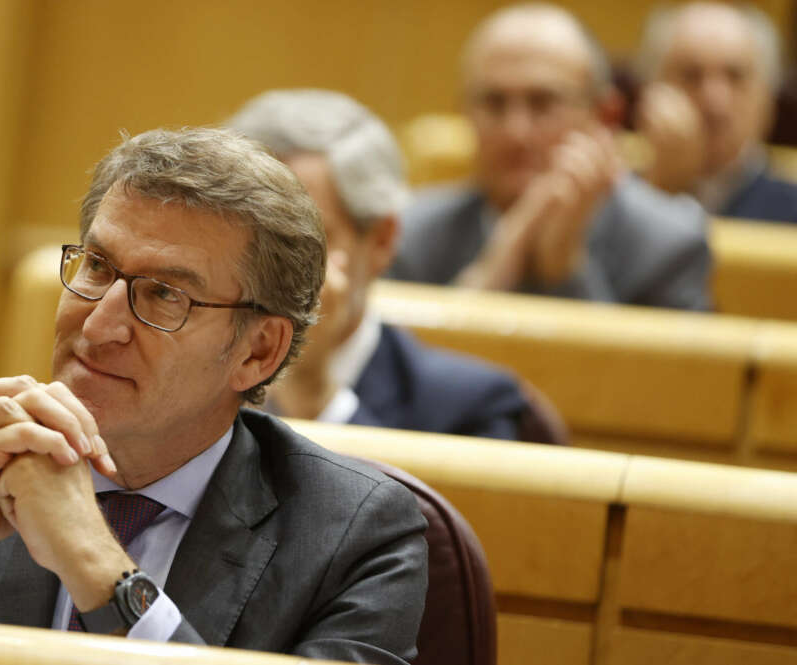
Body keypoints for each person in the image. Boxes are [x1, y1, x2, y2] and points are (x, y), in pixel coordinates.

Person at [0, 128, 428, 664]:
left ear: (258, 351)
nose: (99, 326)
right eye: (97, 267)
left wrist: (98, 566)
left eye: (164, 295)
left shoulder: (353, 538)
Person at [229, 88, 563, 442]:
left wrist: (313, 390)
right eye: (245, 243)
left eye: (298, 243)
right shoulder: (185, 368)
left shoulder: (471, 406)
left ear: (381, 241)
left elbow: (407, 499)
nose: (262, 273)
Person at [390, 3, 712, 310]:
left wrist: (566, 269)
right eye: (493, 102)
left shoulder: (670, 244)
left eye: (543, 103)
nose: (516, 131)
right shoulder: (411, 234)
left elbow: (664, 369)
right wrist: (491, 271)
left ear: (605, 115)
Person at [636, 2, 797, 223]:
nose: (715, 101)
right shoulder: (602, 201)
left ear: (767, 98)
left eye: (736, 76)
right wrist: (661, 187)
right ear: (651, 91)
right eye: (691, 75)